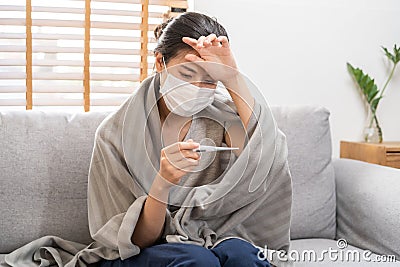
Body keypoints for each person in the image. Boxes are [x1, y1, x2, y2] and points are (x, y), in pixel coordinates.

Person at [88, 11, 292, 267]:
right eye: (186, 74)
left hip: (210, 237)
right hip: (144, 251)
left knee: (243, 256)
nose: (197, 87)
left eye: (209, 80)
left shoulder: (225, 120)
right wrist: (162, 185)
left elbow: (269, 158)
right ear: (160, 62)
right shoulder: (114, 135)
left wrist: (231, 76)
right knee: (198, 260)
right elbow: (135, 241)